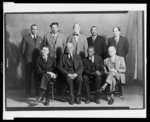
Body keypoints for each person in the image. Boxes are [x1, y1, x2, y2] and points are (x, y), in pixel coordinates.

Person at [21, 24, 42, 98]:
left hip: (37, 62)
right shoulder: (26, 38)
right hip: (28, 61)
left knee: (37, 78)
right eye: (33, 29)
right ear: (31, 29)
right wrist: (26, 59)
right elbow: (22, 50)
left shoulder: (40, 38)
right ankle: (28, 93)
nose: (34, 30)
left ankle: (37, 94)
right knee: (28, 78)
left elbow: (41, 50)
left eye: (36, 29)